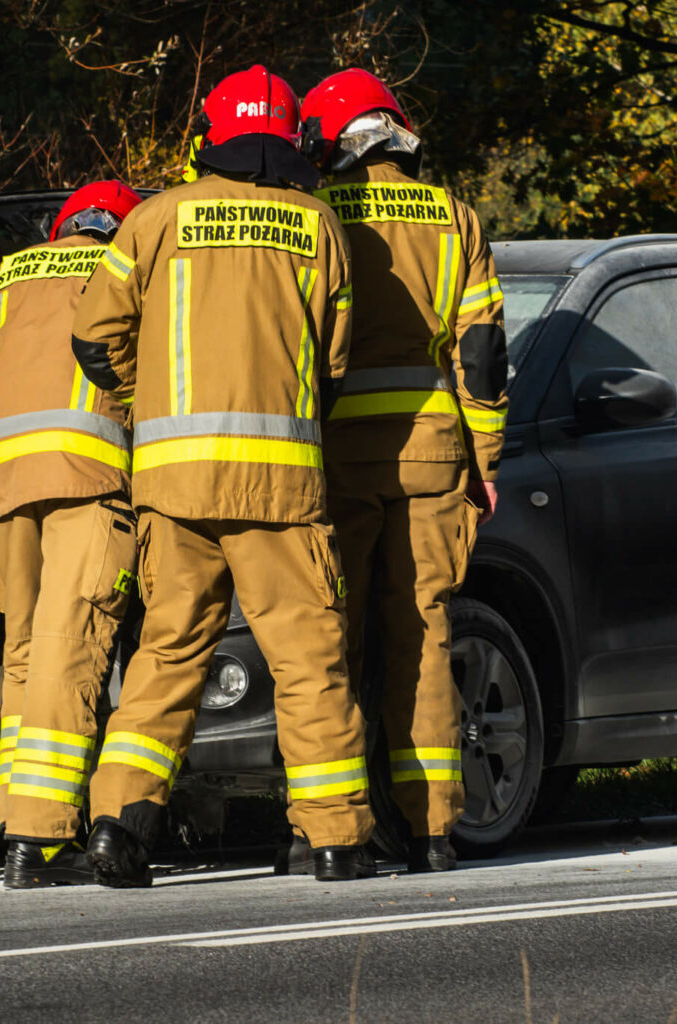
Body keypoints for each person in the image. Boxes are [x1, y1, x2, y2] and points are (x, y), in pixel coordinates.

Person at [72, 65, 375, 886]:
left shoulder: (156, 218)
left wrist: (148, 407)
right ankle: (335, 840)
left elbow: (94, 339)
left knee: (167, 655)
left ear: (211, 136)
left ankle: (118, 828)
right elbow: (336, 360)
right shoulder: (317, 225)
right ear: (289, 143)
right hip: (282, 489)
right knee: (309, 661)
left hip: (172, 486)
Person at [297, 69, 509, 872]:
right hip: (433, 457)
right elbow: (482, 358)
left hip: (337, 457)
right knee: (422, 632)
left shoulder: (315, 217)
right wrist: (485, 462)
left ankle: (324, 826)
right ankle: (431, 829)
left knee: (331, 640)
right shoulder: (454, 216)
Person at [0, 180, 141, 888]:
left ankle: (15, 823)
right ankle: (39, 841)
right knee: (70, 650)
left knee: (23, 653)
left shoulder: (10, 272)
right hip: (86, 473)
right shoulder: (124, 269)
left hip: (1, 479)